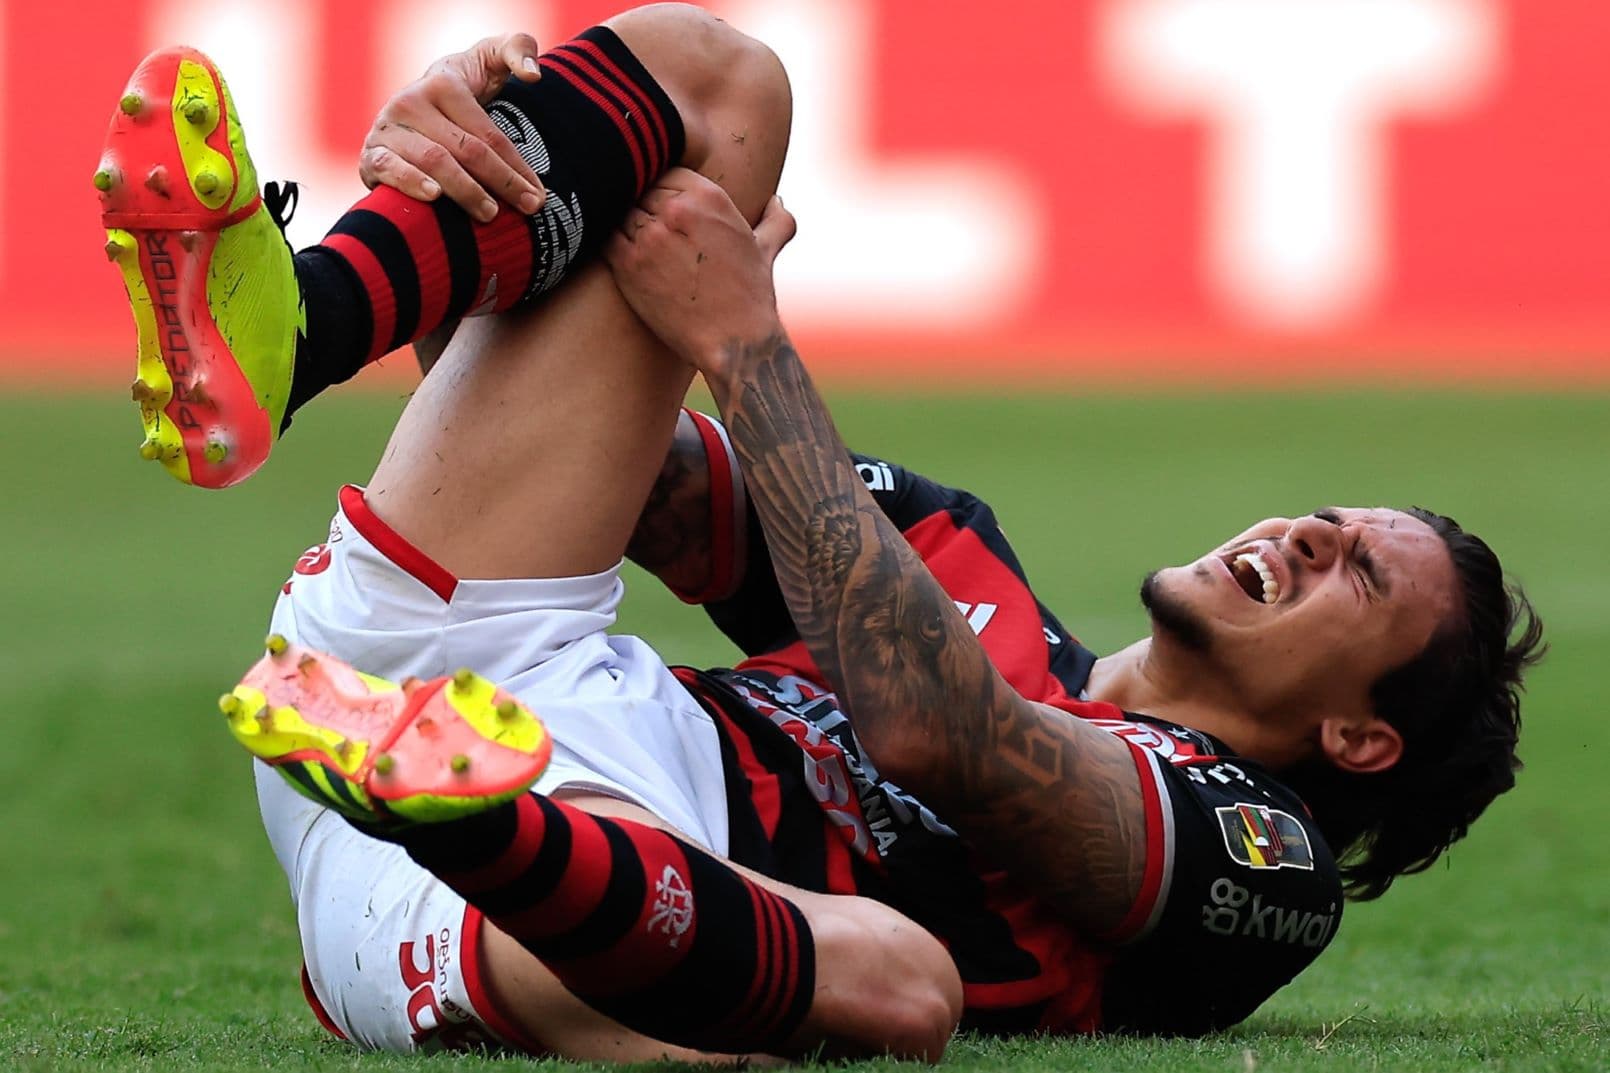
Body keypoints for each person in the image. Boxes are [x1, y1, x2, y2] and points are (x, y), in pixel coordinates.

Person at [96, 4, 1543, 1060]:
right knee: (717, 86)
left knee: (890, 986)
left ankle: (473, 814)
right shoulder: (953, 554)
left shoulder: (1259, 853)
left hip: (561, 906)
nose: (1300, 533)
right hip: (467, 656)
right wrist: (509, 175)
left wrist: (748, 344)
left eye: (1354, 568)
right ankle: (295, 326)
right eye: (1327, 517)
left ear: (1362, 737)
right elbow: (604, 452)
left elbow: (936, 733)